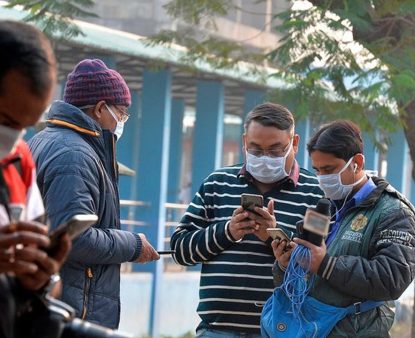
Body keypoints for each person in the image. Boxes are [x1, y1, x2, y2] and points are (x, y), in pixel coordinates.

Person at [171, 102, 324, 337]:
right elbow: (181, 250)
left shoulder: (317, 196)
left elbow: (319, 264)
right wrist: (228, 231)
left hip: (284, 330)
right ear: (244, 142)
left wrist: (272, 237)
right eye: (255, 149)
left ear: (294, 143)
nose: (264, 158)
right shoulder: (217, 184)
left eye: (275, 150)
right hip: (217, 329)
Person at [28, 59, 159, 329]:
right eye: (121, 114)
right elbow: (74, 238)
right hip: (69, 308)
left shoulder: (43, 141)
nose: (121, 122)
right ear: (100, 109)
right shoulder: (74, 155)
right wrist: (133, 245)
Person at [271, 120, 415, 337]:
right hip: (314, 329)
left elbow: (392, 279)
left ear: (357, 163)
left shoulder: (393, 211)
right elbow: (305, 282)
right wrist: (288, 265)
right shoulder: (324, 208)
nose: (322, 178)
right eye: (317, 170)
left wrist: (326, 264)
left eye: (329, 169)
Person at [0, 20, 71, 338]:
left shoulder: (19, 161)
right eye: (5, 121)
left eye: (26, 126)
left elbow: (46, 290)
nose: (14, 138)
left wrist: (40, 278)